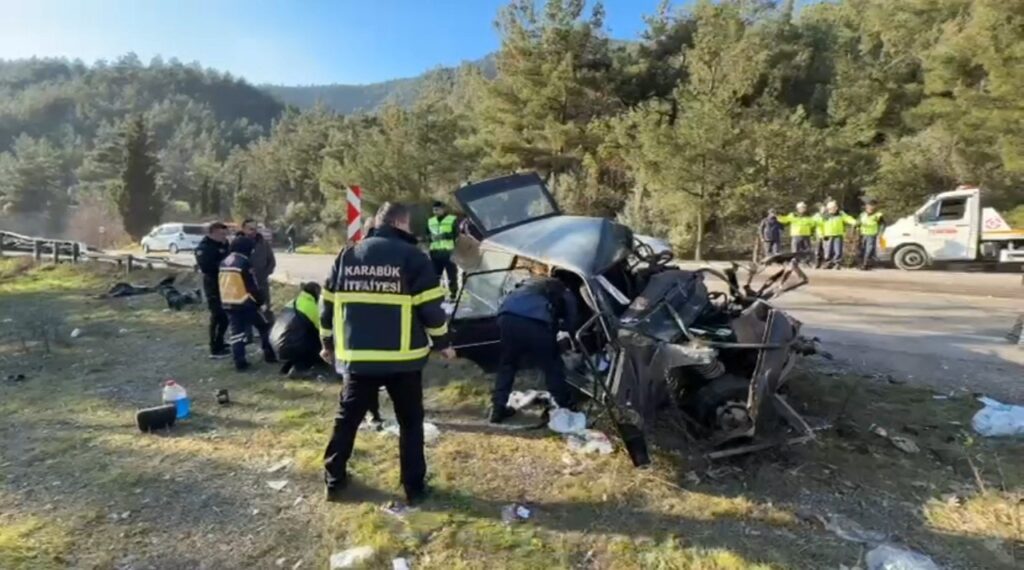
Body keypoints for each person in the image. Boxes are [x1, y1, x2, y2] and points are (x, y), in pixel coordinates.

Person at [319, 202, 455, 505]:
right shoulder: (413, 257)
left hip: (358, 358)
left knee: (347, 419)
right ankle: (414, 487)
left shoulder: (348, 255)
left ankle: (334, 479)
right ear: (402, 223)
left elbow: (326, 304)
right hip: (402, 360)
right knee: (410, 423)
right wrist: (443, 343)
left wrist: (327, 344)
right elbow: (430, 307)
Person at [489, 272, 578, 424]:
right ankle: (564, 406)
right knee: (552, 366)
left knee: (507, 364)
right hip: (535, 323)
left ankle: (498, 409)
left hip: (506, 317)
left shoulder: (529, 282)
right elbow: (572, 322)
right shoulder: (564, 291)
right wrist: (561, 329)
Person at [218, 236, 278, 371]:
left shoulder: (224, 262)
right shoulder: (244, 263)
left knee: (236, 333)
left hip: (228, 302)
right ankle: (269, 354)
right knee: (264, 326)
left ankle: (239, 362)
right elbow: (252, 285)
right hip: (245, 302)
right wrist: (260, 301)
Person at [195, 222, 230, 358]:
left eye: (225, 234)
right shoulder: (204, 248)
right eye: (221, 234)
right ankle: (215, 348)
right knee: (217, 316)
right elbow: (207, 267)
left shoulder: (224, 244)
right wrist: (224, 264)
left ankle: (220, 341)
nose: (224, 237)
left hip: (226, 284)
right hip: (213, 286)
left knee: (225, 316)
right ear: (212, 232)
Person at [426, 201, 459, 299]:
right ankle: (436, 294)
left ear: (443, 209)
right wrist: (430, 238)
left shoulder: (452, 219)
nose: (435, 212)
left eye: (437, 209)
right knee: (435, 276)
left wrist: (444, 235)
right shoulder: (430, 221)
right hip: (435, 253)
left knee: (452, 275)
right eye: (434, 210)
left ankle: (453, 294)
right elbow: (427, 234)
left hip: (449, 252)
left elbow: (456, 234)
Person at [241, 219, 277, 310]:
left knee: (265, 310)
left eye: (255, 228)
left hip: (261, 284)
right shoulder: (237, 244)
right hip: (243, 285)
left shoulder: (263, 243)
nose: (254, 231)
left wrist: (264, 274)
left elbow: (271, 261)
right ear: (243, 229)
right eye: (251, 228)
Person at [820, 200, 859, 269]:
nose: (833, 209)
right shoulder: (824, 216)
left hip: (838, 235)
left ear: (837, 208)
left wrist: (854, 222)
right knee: (827, 250)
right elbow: (820, 226)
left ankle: (837, 263)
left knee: (838, 250)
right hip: (827, 235)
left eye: (834, 207)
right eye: (831, 208)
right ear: (828, 208)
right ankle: (828, 263)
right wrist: (821, 234)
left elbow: (848, 218)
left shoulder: (841, 214)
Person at [857, 201, 885, 270]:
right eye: (868, 207)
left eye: (871, 207)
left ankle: (866, 264)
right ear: (866, 207)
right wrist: (856, 228)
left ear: (874, 208)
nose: (870, 209)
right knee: (861, 249)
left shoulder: (878, 215)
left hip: (871, 235)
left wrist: (880, 232)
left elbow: (882, 224)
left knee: (869, 250)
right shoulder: (862, 214)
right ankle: (861, 263)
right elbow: (858, 223)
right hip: (862, 234)